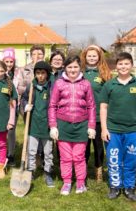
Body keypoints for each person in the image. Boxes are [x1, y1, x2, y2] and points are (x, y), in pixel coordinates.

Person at [101, 52, 136, 201]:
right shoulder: (109, 84)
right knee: (113, 160)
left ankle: (129, 187)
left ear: (131, 65)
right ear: (116, 66)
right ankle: (115, 187)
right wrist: (104, 129)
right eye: (120, 64)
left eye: (126, 63)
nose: (123, 67)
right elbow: (103, 108)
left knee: (131, 161)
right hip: (113, 131)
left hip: (133, 131)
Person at [48, 56, 96, 195]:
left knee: (79, 156)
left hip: (81, 125)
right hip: (63, 125)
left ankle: (81, 183)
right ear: (65, 68)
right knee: (66, 157)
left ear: (80, 67)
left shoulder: (86, 84)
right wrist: (53, 125)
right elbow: (52, 105)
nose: (72, 70)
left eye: (75, 67)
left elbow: (91, 106)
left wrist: (91, 126)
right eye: (69, 67)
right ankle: (67, 182)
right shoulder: (58, 83)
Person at [80, 45, 112, 182]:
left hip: (99, 116)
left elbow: (111, 94)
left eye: (94, 56)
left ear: (99, 57)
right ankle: (83, 170)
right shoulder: (80, 73)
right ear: (85, 57)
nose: (92, 58)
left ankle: (99, 170)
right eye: (89, 56)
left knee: (99, 146)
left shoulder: (104, 73)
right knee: (84, 146)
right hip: (83, 116)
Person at [21, 61, 54, 187]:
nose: (40, 76)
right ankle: (30, 171)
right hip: (33, 125)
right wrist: (25, 106)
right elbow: (23, 99)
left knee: (48, 151)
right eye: (38, 73)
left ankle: (48, 172)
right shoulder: (31, 87)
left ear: (47, 74)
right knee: (31, 150)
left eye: (43, 73)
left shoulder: (51, 88)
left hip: (47, 126)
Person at [2, 48, 20, 166]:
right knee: (1, 130)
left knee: (11, 131)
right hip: (2, 105)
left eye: (11, 62)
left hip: (13, 105)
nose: (9, 64)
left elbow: (21, 88)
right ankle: (1, 152)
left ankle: (11, 154)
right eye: (7, 62)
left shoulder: (18, 73)